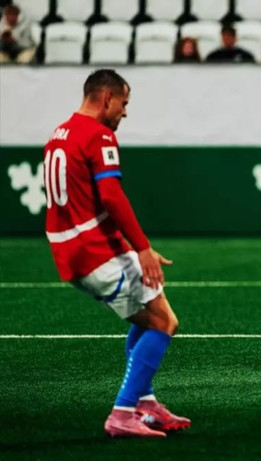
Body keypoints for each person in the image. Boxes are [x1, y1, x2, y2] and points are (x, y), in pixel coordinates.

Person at [44, 69, 190, 437]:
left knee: (154, 306)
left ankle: (145, 403)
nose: (124, 112)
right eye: (123, 103)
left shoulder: (59, 134)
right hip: (94, 250)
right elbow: (110, 195)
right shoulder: (99, 134)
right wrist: (142, 248)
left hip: (72, 248)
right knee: (163, 322)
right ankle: (123, 413)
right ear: (107, 98)